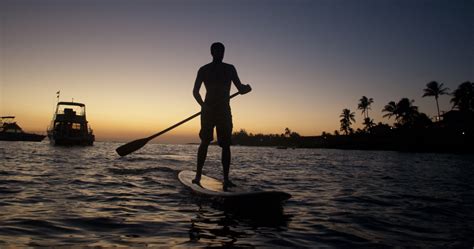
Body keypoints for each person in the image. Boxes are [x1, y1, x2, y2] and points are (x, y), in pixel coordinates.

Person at [192, 42, 251, 190]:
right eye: (217, 51)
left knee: (226, 145)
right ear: (212, 53)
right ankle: (198, 176)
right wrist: (203, 106)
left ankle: (226, 179)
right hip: (208, 111)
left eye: (222, 51)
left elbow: (240, 88)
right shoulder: (203, 70)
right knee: (205, 141)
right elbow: (195, 91)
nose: (220, 53)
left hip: (224, 110)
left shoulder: (230, 69)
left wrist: (245, 88)